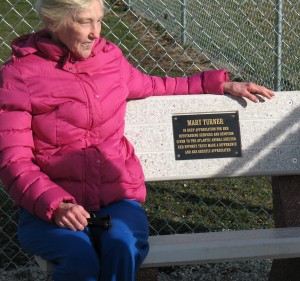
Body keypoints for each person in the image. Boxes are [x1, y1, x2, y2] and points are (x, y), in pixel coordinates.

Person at [0, 0, 275, 280]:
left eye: (99, 20)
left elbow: (156, 85)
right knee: (80, 259)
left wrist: (217, 84)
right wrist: (57, 205)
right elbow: (14, 161)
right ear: (52, 22)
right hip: (50, 208)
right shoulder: (19, 75)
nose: (96, 32)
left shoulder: (109, 59)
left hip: (115, 201)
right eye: (84, 22)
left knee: (123, 247)